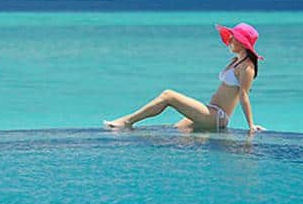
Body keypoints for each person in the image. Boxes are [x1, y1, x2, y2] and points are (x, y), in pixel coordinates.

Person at [104, 23, 266, 133]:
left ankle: (127, 121)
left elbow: (244, 96)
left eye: (234, 38)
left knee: (169, 96)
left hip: (218, 116)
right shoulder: (236, 61)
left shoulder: (247, 67)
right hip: (210, 111)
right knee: (176, 132)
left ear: (243, 43)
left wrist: (251, 126)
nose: (229, 39)